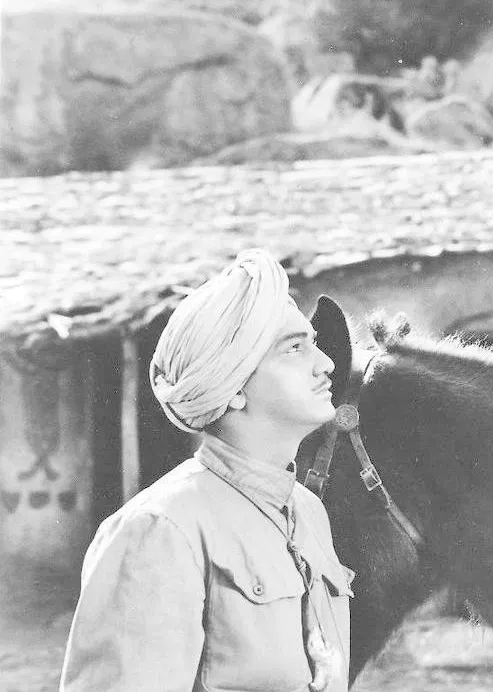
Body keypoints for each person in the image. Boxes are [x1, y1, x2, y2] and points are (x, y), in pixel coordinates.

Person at [61, 249, 353, 692]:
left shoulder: (309, 513)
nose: (326, 363)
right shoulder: (161, 529)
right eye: (295, 348)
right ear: (234, 386)